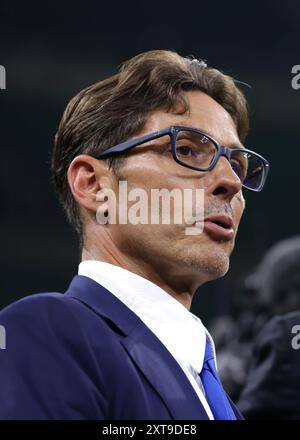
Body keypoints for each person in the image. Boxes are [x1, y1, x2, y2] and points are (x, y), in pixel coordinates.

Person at [0, 50, 269, 420]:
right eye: (188, 149)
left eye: (237, 164)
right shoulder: (50, 333)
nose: (230, 182)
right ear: (95, 185)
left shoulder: (218, 400)